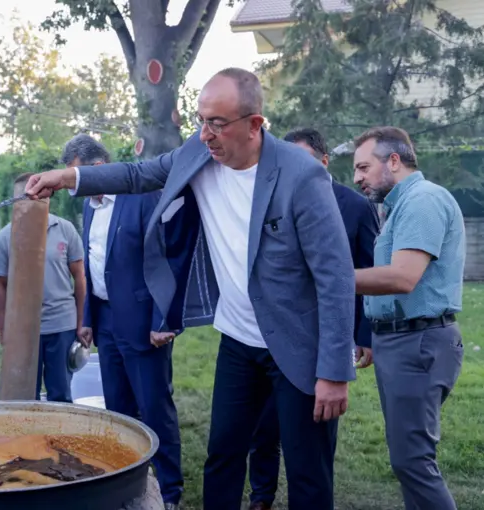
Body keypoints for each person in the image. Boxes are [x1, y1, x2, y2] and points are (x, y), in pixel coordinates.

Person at [25, 68, 357, 510]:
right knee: (222, 456)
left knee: (306, 470)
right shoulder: (198, 155)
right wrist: (68, 178)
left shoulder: (300, 175)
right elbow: (138, 174)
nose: (205, 134)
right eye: (201, 120)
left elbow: (335, 276)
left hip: (299, 345)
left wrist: (334, 372)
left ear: (255, 124)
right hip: (238, 341)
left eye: (217, 123)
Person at [246, 127, 380, 510]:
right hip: (272, 333)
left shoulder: (354, 206)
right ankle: (261, 496)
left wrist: (363, 335)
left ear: (323, 162)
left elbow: (367, 270)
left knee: (311, 436)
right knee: (264, 425)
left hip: (323, 337)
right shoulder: (268, 198)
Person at [60, 134, 183, 509]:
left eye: (77, 175)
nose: (74, 185)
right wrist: (88, 318)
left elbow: (169, 260)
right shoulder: (90, 208)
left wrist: (165, 319)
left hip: (144, 321)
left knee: (153, 406)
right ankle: (128, 487)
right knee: (118, 409)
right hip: (107, 320)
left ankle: (169, 491)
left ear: (100, 169)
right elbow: (96, 266)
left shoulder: (141, 198)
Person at [353, 126, 465, 510]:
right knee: (408, 460)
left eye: (364, 167)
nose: (357, 178)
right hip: (399, 342)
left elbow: (402, 277)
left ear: (394, 161)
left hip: (417, 343)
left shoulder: (423, 201)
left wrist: (329, 279)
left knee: (413, 462)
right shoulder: (397, 205)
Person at [0, 172, 86, 402]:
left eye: (38, 194)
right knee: (23, 396)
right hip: (23, 331)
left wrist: (81, 322)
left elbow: (79, 276)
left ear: (47, 197)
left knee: (61, 394)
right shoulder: (5, 237)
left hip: (61, 325)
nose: (32, 200)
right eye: (25, 196)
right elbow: (0, 285)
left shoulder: (64, 229)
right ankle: (28, 438)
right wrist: (5, 330)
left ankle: (60, 438)